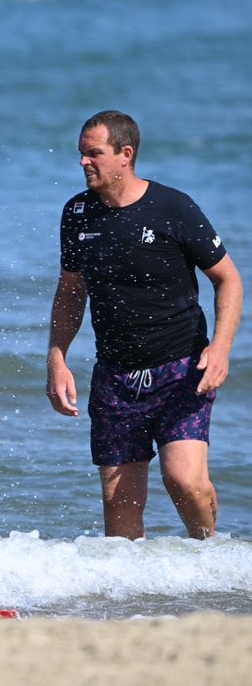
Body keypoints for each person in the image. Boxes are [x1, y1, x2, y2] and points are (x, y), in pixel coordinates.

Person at [45, 110, 243, 540]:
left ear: (125, 155)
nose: (83, 162)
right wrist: (57, 358)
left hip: (181, 369)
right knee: (120, 511)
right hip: (114, 377)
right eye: (81, 154)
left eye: (93, 154)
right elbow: (70, 292)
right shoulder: (77, 214)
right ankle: (130, 601)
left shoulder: (173, 207)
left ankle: (210, 559)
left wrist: (222, 347)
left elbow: (227, 278)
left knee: (184, 481)